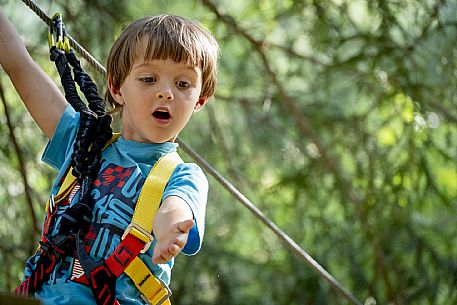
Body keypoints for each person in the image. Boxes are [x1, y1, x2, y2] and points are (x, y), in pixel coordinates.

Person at [0, 9, 218, 305]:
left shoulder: (183, 176)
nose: (166, 93)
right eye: (149, 78)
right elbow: (19, 65)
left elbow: (175, 208)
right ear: (116, 88)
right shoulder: (84, 145)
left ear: (199, 101)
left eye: (183, 84)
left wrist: (169, 230)